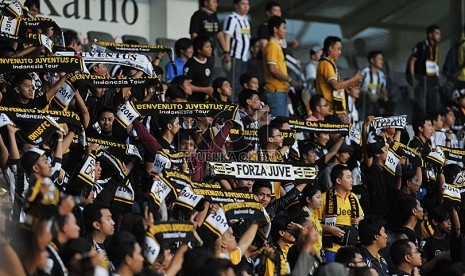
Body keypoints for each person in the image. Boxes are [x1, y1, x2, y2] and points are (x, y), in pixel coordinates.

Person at [316, 164, 364, 263]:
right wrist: (329, 229)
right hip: (331, 248)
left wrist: (360, 219)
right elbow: (313, 224)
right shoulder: (323, 198)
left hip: (350, 249)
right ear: (338, 181)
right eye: (348, 177)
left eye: (351, 177)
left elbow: (362, 216)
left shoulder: (353, 197)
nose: (352, 180)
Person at [263, 16, 302, 117]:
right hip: (275, 92)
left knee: (284, 126)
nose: (285, 31)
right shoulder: (272, 45)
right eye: (284, 28)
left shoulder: (277, 45)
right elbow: (272, 69)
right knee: (280, 126)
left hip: (280, 91)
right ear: (275, 29)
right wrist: (290, 80)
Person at [316, 36, 362, 115]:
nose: (340, 52)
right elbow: (336, 86)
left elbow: (338, 88)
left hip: (337, 111)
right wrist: (354, 79)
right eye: (338, 49)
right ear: (330, 48)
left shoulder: (331, 63)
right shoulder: (326, 63)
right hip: (330, 112)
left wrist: (351, 83)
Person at [406, 25, 441, 114]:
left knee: (433, 106)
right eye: (436, 33)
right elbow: (412, 61)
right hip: (422, 81)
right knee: (421, 105)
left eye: (439, 34)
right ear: (430, 34)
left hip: (432, 81)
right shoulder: (422, 45)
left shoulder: (435, 47)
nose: (439, 36)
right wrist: (413, 77)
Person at [223, 0, 251, 100]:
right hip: (235, 57)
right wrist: (226, 53)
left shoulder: (246, 19)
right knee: (234, 83)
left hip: (244, 58)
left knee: (242, 83)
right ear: (236, 5)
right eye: (243, 4)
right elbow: (227, 36)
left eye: (247, 4)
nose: (246, 6)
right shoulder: (232, 18)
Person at [419, 206, 455, 276]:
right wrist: (439, 257)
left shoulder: (453, 240)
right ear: (435, 222)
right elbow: (422, 271)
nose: (450, 223)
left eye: (450, 219)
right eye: (446, 220)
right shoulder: (427, 243)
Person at [83, 204, 115, 270]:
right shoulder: (87, 250)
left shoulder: (111, 247)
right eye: (108, 219)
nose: (113, 222)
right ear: (97, 225)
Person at [183, 36, 214, 102]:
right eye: (207, 47)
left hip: (206, 98)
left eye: (210, 46)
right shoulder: (190, 65)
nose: (210, 49)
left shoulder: (209, 61)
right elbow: (186, 85)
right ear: (199, 50)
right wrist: (204, 90)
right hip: (194, 100)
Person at [360, 50, 388, 117]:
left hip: (376, 101)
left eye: (382, 59)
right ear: (372, 60)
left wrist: (385, 96)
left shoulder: (381, 75)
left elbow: (383, 88)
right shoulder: (364, 72)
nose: (382, 61)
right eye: (379, 59)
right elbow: (357, 87)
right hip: (364, 102)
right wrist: (368, 94)